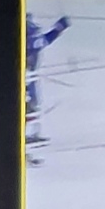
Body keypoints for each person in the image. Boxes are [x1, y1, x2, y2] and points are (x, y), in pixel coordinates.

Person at [25, 9, 69, 159]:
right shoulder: (28, 39)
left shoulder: (28, 37)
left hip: (28, 75)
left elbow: (41, 41)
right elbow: (42, 42)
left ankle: (31, 133)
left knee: (32, 105)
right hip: (25, 76)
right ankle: (26, 135)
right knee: (29, 106)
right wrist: (58, 28)